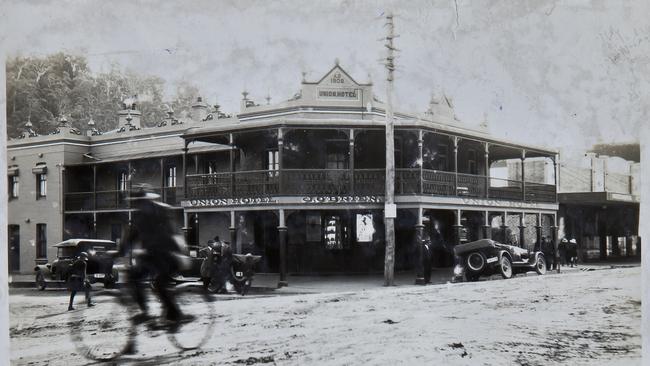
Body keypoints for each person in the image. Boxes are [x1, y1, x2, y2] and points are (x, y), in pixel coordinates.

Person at [118, 184, 189, 327]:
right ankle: (145, 312)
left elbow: (169, 234)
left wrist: (149, 249)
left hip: (169, 254)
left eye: (140, 201)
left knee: (159, 284)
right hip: (152, 255)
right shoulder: (140, 215)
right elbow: (132, 235)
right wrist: (119, 251)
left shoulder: (162, 211)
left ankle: (176, 315)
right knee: (132, 276)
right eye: (136, 202)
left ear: (147, 200)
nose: (138, 204)